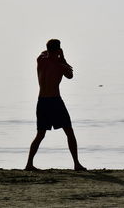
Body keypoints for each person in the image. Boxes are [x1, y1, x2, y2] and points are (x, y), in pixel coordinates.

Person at [25, 39, 86, 171]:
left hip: (42, 101)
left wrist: (56, 54)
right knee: (69, 132)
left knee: (40, 134)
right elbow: (70, 75)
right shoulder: (60, 65)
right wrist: (62, 58)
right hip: (55, 101)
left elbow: (45, 53)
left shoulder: (41, 59)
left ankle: (29, 164)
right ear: (58, 50)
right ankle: (76, 163)